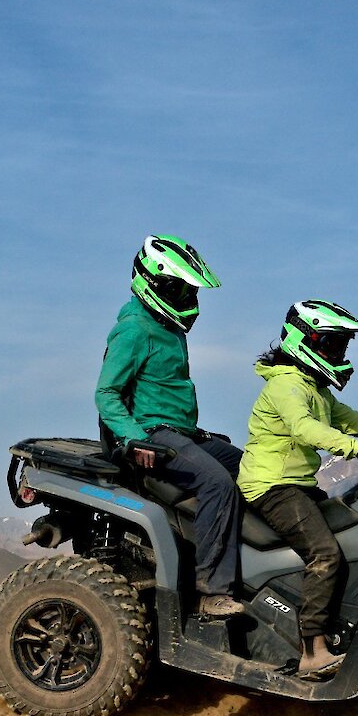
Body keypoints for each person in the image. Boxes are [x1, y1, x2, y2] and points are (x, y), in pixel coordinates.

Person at [238, 299, 358, 676]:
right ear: (305, 341)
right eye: (333, 345)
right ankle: (312, 651)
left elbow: (356, 420)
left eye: (342, 346)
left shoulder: (316, 390)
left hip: (297, 485)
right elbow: (306, 428)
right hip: (272, 486)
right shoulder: (286, 386)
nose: (339, 354)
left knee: (350, 541)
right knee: (324, 554)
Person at [94, 235, 246, 618]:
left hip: (183, 433)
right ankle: (212, 592)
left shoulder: (170, 328)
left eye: (190, 290)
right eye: (181, 288)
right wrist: (134, 438)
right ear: (155, 282)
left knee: (252, 468)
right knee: (217, 482)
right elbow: (107, 393)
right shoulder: (134, 329)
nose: (188, 297)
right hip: (152, 434)